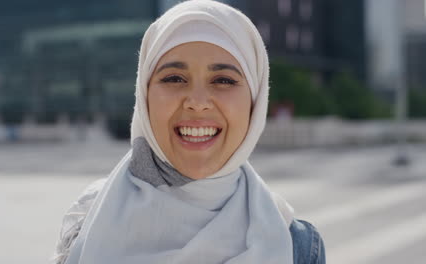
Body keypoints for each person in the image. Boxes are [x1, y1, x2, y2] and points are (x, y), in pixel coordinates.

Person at [52, 1, 325, 263]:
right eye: (174, 78)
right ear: (144, 95)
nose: (197, 102)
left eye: (223, 80)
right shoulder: (87, 217)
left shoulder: (296, 246)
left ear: (254, 101)